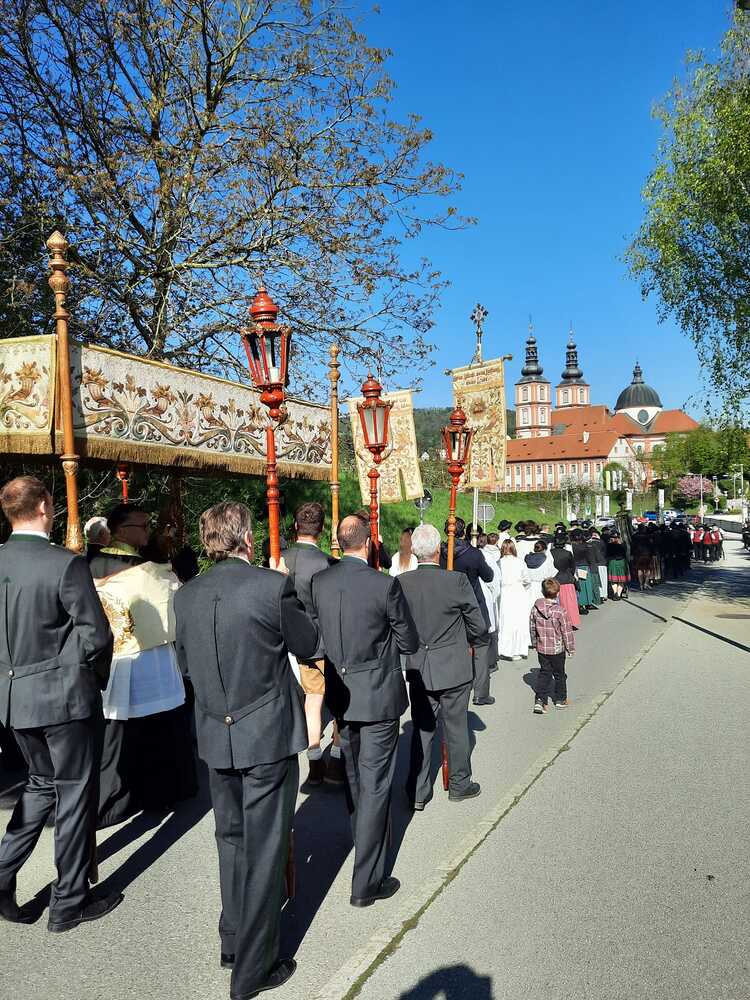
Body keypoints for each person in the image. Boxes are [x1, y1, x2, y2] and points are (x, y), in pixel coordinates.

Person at [174, 502, 317, 1000]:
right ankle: (253, 968)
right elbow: (308, 642)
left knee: (231, 839)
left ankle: (233, 939)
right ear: (247, 538)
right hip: (266, 730)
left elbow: (185, 663)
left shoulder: (187, 595)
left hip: (217, 729)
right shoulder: (270, 586)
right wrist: (286, 589)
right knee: (265, 846)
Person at [0, 476, 120, 932]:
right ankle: (69, 900)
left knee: (39, 784)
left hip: (14, 700)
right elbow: (97, 635)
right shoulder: (63, 564)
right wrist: (91, 679)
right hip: (62, 697)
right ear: (44, 507)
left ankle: (2, 872)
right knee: (72, 794)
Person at [311, 514, 419, 907]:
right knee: (373, 784)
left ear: (339, 543)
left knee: (356, 778)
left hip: (341, 693)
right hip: (376, 695)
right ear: (369, 542)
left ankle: (364, 840)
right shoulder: (383, 585)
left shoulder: (320, 582)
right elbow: (408, 639)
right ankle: (366, 881)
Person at [95, 547, 196, 827]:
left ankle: (162, 791)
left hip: (152, 656)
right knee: (118, 734)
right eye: (140, 526)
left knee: (159, 728)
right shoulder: (97, 562)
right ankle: (115, 799)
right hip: (121, 657)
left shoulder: (150, 561)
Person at [399, 525, 486, 809]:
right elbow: (478, 625)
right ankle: (460, 783)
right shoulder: (456, 581)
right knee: (457, 727)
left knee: (422, 730)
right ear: (438, 550)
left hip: (419, 665)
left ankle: (418, 791)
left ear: (414, 551)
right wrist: (470, 639)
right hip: (453, 664)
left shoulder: (401, 583)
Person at [284, 501, 343, 787]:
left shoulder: (279, 559)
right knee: (334, 699)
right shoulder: (326, 563)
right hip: (323, 639)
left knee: (312, 699)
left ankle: (315, 758)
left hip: (290, 640)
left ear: (296, 526)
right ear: (320, 529)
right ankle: (336, 758)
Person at [440, 517, 494, 705]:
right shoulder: (473, 554)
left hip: (448, 604)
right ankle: (481, 692)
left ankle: (455, 685)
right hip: (472, 604)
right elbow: (488, 576)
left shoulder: (439, 552)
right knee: (480, 646)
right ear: (463, 532)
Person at [530, 578, 575, 714]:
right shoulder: (560, 611)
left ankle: (540, 700)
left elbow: (532, 628)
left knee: (544, 673)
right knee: (559, 674)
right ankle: (560, 699)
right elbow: (566, 632)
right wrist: (570, 648)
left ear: (542, 591)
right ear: (557, 593)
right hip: (557, 649)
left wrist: (534, 643)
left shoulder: (535, 609)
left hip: (542, 648)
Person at [88, 504, 150, 579]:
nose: (148, 530)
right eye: (144, 526)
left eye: (148, 525)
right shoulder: (135, 564)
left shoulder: (96, 559)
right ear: (121, 530)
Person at [497, 539, 531, 660]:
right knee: (518, 621)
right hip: (518, 592)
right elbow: (527, 579)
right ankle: (519, 649)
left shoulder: (499, 562)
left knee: (505, 621)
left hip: (505, 593)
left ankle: (504, 649)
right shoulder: (520, 562)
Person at [550, 531, 580, 628]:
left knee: (556, 602)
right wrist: (570, 575)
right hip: (567, 579)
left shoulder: (550, 554)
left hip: (554, 579)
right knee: (569, 603)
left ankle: (557, 622)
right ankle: (571, 621)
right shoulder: (567, 553)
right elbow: (572, 567)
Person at [571, 529, 598, 612]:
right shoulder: (585, 545)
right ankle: (586, 603)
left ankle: (583, 603)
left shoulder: (571, 546)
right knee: (586, 586)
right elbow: (589, 557)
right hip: (583, 565)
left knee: (581, 586)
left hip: (576, 566)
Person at [524, 539, 555, 607]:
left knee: (529, 606)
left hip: (529, 586)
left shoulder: (526, 558)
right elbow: (551, 574)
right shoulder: (547, 559)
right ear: (544, 549)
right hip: (542, 586)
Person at [607, 532, 629, 600]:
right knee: (621, 580)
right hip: (622, 562)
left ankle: (615, 593)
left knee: (613, 580)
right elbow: (625, 553)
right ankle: (618, 595)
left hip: (612, 562)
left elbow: (607, 554)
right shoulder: (623, 544)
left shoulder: (609, 545)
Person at [589, 528, 609, 600]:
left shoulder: (589, 543)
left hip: (593, 563)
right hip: (602, 563)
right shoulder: (601, 542)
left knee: (596, 580)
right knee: (603, 579)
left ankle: (598, 594)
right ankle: (604, 594)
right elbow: (605, 552)